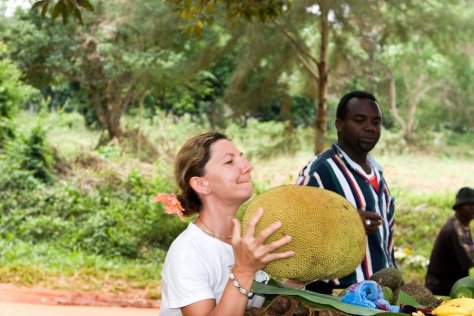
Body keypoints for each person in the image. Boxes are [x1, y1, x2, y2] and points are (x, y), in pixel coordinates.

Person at [157, 132, 295, 316]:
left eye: (242, 158)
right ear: (201, 184)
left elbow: (262, 307)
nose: (247, 167)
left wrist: (299, 277)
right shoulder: (188, 252)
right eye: (230, 162)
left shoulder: (247, 241)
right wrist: (244, 270)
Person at [296, 90, 396, 293]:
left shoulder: (377, 174)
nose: (370, 128)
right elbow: (296, 229)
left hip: (380, 297)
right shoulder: (320, 171)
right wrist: (345, 221)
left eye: (376, 122)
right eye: (359, 120)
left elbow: (386, 242)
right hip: (338, 300)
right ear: (339, 124)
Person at [425, 187, 474, 296]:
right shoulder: (454, 230)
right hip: (441, 289)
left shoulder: (461, 226)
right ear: (459, 207)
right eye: (469, 204)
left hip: (453, 285)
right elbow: (470, 259)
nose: (472, 208)